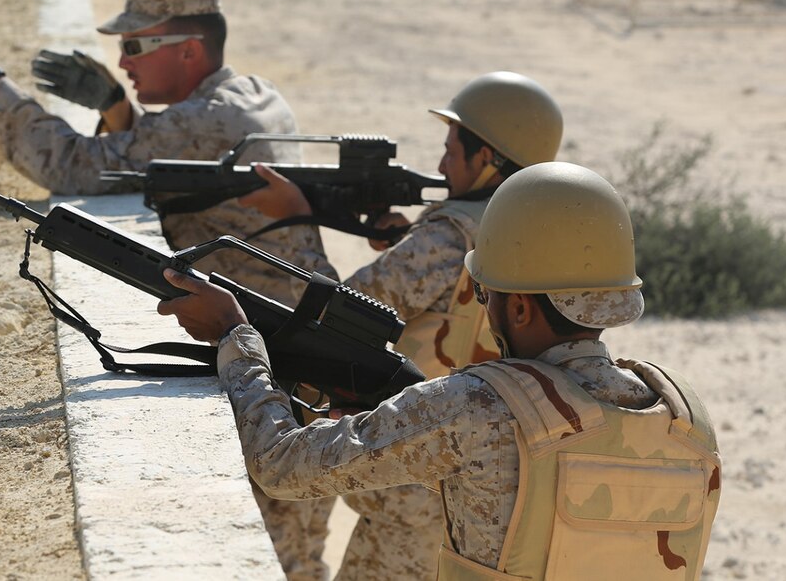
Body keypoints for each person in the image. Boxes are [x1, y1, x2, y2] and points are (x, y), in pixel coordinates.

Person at [0, 0, 333, 581]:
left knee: (280, 553)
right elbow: (159, 165)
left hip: (269, 367)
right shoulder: (252, 94)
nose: (123, 61)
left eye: (135, 47)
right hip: (285, 355)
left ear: (188, 50)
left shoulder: (206, 119)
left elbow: (76, 167)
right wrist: (117, 110)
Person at [161, 161, 723, 580]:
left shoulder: (476, 405)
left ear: (520, 307)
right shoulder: (684, 417)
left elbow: (282, 465)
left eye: (484, 292)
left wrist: (236, 340)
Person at [237, 72, 563, 579]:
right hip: (500, 489)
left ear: (487, 160)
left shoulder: (445, 236)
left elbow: (335, 318)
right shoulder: (546, 235)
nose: (439, 164)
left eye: (452, 150)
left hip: (417, 490)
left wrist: (299, 221)